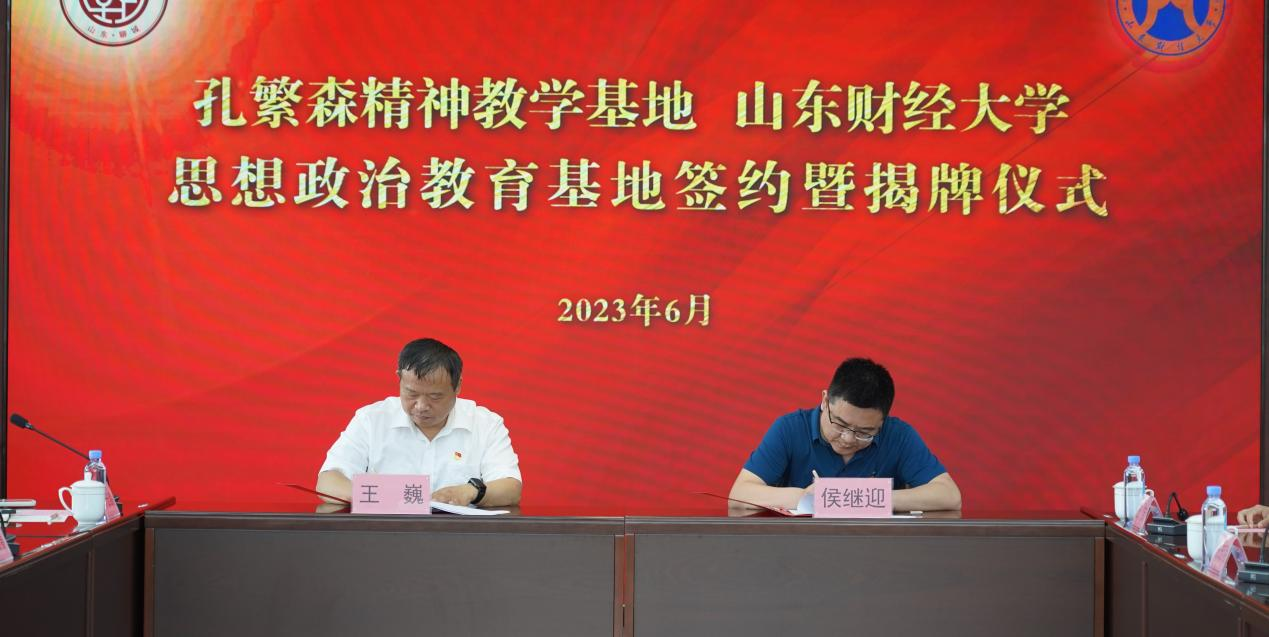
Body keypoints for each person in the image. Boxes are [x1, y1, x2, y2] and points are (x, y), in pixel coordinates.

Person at [729, 357, 961, 512]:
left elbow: (949, 495)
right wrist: (810, 497)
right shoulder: (790, 429)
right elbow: (740, 494)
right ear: (825, 401)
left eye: (865, 432)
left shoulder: (898, 435)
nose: (848, 439)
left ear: (883, 421)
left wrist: (867, 498)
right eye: (839, 424)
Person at [316, 338, 522, 507]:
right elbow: (328, 481)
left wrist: (470, 491)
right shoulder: (371, 419)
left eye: (435, 396)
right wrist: (386, 497)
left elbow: (511, 488)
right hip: (384, 533)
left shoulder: (485, 424)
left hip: (460, 537)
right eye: (411, 393)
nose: (421, 406)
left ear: (458, 386)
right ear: (399, 379)